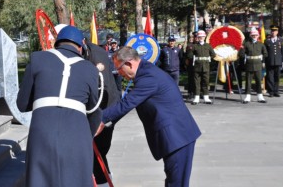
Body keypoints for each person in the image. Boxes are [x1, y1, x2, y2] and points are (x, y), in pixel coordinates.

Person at [96, 46, 201, 187]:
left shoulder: (148, 77)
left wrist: (100, 119)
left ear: (129, 63)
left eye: (119, 68)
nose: (119, 74)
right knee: (173, 179)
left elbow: (127, 103)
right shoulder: (145, 71)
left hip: (177, 136)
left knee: (177, 182)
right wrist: (106, 123)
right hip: (175, 135)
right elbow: (127, 105)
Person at [16, 25, 102, 187]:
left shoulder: (37, 58)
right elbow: (94, 110)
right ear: (80, 46)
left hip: (42, 132)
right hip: (77, 135)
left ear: (58, 42)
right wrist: (87, 136)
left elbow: (22, 104)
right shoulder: (90, 69)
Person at [82, 39, 121, 186]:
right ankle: (105, 179)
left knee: (97, 150)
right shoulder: (91, 51)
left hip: (105, 109)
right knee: (97, 152)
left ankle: (103, 181)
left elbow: (99, 87)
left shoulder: (95, 55)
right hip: (104, 109)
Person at [188, 30, 216, 105]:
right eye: (199, 37)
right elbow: (189, 56)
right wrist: (190, 50)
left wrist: (209, 58)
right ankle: (196, 97)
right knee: (197, 83)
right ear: (197, 37)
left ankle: (206, 97)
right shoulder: (194, 46)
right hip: (197, 67)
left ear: (204, 37)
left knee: (205, 82)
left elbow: (213, 54)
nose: (201, 38)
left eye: (202, 37)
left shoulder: (208, 46)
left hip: (206, 66)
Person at [241, 29, 268, 103]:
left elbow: (265, 53)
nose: (254, 36)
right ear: (251, 36)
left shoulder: (261, 44)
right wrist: (245, 57)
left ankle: (260, 96)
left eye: (256, 35)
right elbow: (242, 53)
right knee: (248, 81)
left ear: (258, 36)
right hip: (249, 64)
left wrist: (261, 57)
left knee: (258, 81)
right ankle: (247, 96)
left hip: (258, 64)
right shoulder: (246, 44)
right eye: (253, 35)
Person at [264, 25, 283, 97]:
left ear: (277, 32)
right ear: (271, 32)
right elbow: (265, 52)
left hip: (278, 61)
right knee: (270, 77)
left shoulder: (280, 40)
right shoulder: (267, 41)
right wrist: (264, 61)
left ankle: (276, 91)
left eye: (275, 31)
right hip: (269, 62)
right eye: (272, 31)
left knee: (277, 77)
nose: (273, 32)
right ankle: (271, 91)